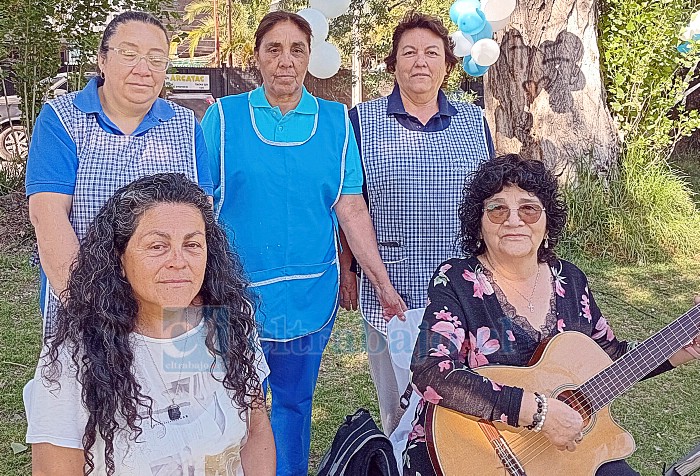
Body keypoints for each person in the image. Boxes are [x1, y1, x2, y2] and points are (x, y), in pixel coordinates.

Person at [200, 11, 406, 476]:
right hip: (231, 299)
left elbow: (349, 207)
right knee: (228, 404)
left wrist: (381, 283)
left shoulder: (335, 122)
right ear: (257, 57)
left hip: (310, 296)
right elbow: (198, 207)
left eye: (297, 50)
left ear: (309, 58)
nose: (285, 61)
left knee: (292, 404)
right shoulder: (224, 119)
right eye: (274, 49)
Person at [403, 154, 700, 476]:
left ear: (547, 222)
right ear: (479, 222)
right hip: (468, 453)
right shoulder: (456, 279)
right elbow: (429, 370)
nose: (514, 220)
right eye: (497, 208)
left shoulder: (569, 280)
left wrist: (681, 350)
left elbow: (610, 359)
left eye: (529, 209)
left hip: (558, 452)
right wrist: (540, 412)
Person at [26, 173, 274, 476]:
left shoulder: (226, 323)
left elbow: (256, 431)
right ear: (119, 258)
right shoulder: (75, 358)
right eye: (158, 246)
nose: (178, 261)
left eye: (192, 244)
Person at [342, 11, 495, 435]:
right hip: (389, 290)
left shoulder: (474, 122)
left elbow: (491, 202)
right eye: (408, 52)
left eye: (432, 52)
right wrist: (349, 270)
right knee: (399, 409)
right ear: (393, 64)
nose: (420, 62)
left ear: (447, 63)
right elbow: (348, 205)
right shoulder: (360, 122)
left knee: (465, 403)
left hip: (463, 290)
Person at [25, 11, 213, 336]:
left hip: (166, 312)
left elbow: (202, 220)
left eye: (156, 59)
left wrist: (190, 300)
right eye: (129, 54)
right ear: (102, 59)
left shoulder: (185, 126)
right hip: (85, 305)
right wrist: (87, 307)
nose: (143, 69)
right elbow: (48, 216)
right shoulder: (62, 119)